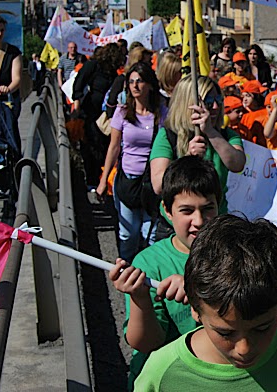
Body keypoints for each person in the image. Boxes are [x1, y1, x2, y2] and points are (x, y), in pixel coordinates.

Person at [135, 215, 277, 391]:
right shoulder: (161, 375)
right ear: (195, 309)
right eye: (225, 333)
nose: (244, 348)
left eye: (262, 328)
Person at [109, 156, 221, 388]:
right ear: (167, 211)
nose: (199, 221)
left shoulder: (231, 255)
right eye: (187, 210)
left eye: (208, 208)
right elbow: (145, 342)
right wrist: (140, 298)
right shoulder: (150, 263)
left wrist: (198, 292)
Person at [149, 75, 245, 226]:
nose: (214, 107)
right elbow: (158, 186)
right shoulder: (168, 136)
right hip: (177, 227)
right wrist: (187, 159)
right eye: (207, 102)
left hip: (215, 224)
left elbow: (237, 164)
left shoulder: (226, 136)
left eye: (218, 100)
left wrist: (211, 132)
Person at [97, 62, 167, 262]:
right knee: (128, 233)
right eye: (132, 81)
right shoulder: (122, 112)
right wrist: (103, 181)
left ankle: (147, 275)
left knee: (150, 234)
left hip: (151, 182)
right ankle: (126, 270)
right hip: (128, 179)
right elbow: (114, 147)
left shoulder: (161, 114)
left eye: (140, 81)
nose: (135, 86)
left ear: (150, 85)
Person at [73, 43, 124, 187]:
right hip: (90, 112)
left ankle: (101, 178)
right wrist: (77, 105)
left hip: (104, 115)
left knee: (103, 146)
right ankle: (92, 179)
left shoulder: (112, 72)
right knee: (91, 145)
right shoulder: (93, 66)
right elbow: (78, 83)